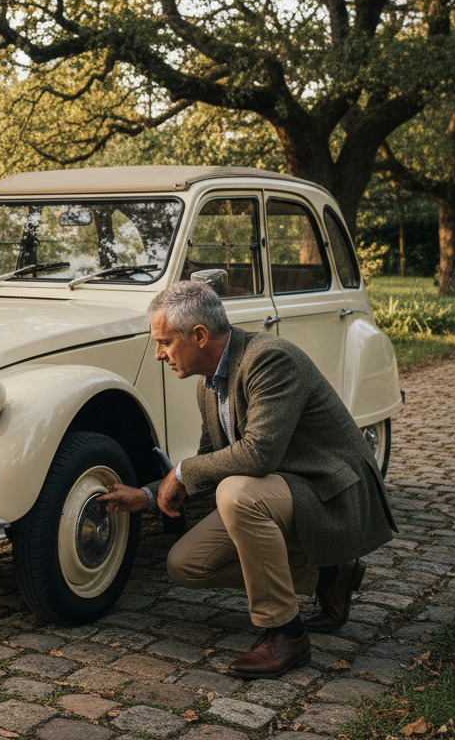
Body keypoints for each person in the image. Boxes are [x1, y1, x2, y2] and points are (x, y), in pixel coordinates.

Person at [98, 280, 397, 679]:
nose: (159, 354)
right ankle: (330, 574)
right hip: (281, 487)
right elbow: (209, 460)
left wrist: (180, 473)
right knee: (186, 564)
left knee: (237, 493)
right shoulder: (209, 384)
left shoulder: (269, 358)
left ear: (199, 335)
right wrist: (148, 496)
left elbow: (259, 454)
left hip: (331, 491)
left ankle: (286, 633)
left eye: (165, 342)